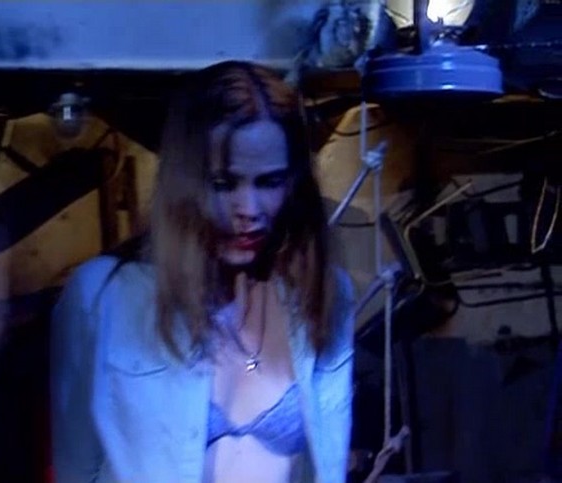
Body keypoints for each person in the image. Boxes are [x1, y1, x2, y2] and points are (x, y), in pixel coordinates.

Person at [50, 60, 355, 483]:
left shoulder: (324, 293)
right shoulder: (102, 298)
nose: (249, 210)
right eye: (224, 184)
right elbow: (74, 469)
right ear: (184, 182)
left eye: (269, 182)